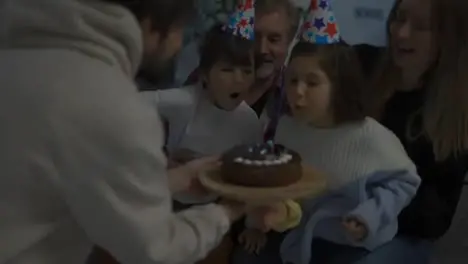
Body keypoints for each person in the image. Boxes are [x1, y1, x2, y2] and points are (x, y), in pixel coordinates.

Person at [0, 0, 246, 264]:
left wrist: (178, 178)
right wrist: (227, 211)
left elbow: (69, 186)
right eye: (180, 30)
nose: (178, 45)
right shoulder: (111, 104)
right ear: (152, 26)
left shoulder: (15, 63)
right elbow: (155, 249)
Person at [231, 2, 421, 263]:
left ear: (339, 85)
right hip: (298, 233)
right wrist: (256, 221)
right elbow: (275, 184)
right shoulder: (286, 128)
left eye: (312, 82)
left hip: (355, 243)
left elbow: (405, 182)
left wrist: (370, 216)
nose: (298, 91)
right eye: (293, 80)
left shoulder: (370, 137)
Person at [355, 0, 468, 263]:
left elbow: (435, 219)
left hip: (404, 235)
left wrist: (371, 206)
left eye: (420, 27)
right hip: (341, 213)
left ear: (448, 37)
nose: (401, 32)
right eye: (399, 18)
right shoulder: (362, 64)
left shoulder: (455, 113)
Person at [140, 2, 260, 207]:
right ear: (205, 74)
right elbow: (129, 105)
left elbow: (247, 175)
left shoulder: (249, 121)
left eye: (247, 72)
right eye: (227, 70)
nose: (239, 80)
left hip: (214, 209)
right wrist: (162, 159)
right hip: (169, 204)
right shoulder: (184, 101)